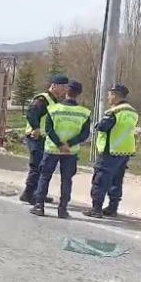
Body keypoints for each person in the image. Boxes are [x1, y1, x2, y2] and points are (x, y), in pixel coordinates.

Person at [30, 81, 91, 218]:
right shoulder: (84, 113)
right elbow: (84, 134)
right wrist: (68, 144)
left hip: (52, 149)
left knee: (45, 177)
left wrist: (59, 144)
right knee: (67, 180)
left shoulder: (53, 109)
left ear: (66, 91)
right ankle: (62, 209)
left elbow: (48, 129)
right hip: (70, 151)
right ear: (79, 94)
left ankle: (39, 206)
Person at [84, 84, 139, 218]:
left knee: (101, 180)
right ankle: (113, 208)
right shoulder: (133, 112)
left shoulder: (113, 112)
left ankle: (96, 208)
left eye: (109, 95)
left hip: (110, 150)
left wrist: (97, 124)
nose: (108, 98)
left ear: (115, 95)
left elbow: (103, 127)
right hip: (125, 151)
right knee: (116, 180)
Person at [18, 74, 70, 204]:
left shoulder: (54, 101)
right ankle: (28, 194)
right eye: (63, 87)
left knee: (43, 167)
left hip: (44, 138)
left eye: (66, 87)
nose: (65, 90)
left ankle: (39, 193)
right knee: (37, 166)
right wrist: (35, 128)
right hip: (35, 137)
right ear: (54, 86)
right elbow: (31, 113)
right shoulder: (43, 99)